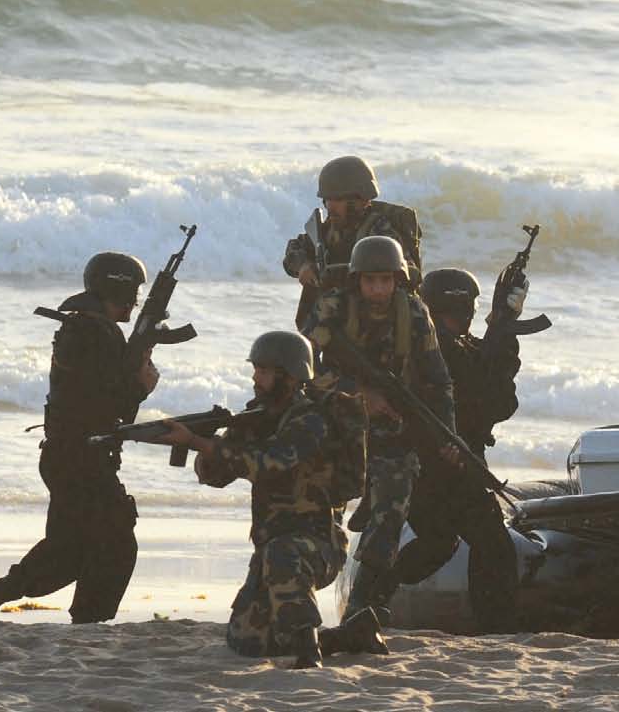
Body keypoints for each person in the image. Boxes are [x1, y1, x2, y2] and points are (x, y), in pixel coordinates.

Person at [0, 252, 160, 624]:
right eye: (132, 291)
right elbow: (106, 405)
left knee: (67, 550)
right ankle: (88, 621)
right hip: (80, 459)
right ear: (116, 287)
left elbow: (100, 403)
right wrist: (141, 387)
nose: (135, 301)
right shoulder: (93, 333)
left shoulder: (85, 328)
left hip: (70, 456)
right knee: (115, 541)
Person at [161, 331, 377, 669]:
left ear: (289, 376)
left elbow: (272, 463)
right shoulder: (257, 417)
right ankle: (351, 636)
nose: (255, 378)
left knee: (283, 553)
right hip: (272, 547)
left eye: (264, 371)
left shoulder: (311, 420)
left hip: (317, 543)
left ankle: (309, 649)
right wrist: (203, 441)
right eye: (256, 369)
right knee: (247, 640)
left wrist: (200, 444)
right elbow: (215, 477)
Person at [301, 234, 455, 614]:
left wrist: (447, 434)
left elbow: (439, 380)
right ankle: (296, 595)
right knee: (316, 511)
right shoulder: (333, 307)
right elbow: (302, 372)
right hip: (334, 421)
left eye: (386, 280)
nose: (379, 289)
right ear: (357, 280)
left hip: (390, 428)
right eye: (370, 280)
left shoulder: (415, 313)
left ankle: (364, 601)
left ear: (398, 279)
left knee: (392, 509)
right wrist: (356, 392)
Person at [393, 267, 524, 632]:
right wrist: (502, 333)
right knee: (471, 542)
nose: (461, 321)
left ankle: (497, 626)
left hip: (458, 464)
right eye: (452, 314)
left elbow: (501, 402)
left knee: (459, 542)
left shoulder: (465, 348)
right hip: (429, 467)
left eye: (465, 313)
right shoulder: (431, 353)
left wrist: (503, 330)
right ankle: (496, 625)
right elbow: (483, 399)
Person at [284, 155, 423, 327]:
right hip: (333, 320)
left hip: (378, 320)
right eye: (328, 199)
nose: (330, 206)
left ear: (360, 201)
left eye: (338, 199)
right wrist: (303, 265)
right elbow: (293, 251)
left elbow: (412, 274)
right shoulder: (328, 230)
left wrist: (354, 275)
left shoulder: (379, 231)